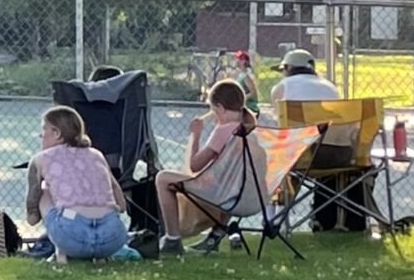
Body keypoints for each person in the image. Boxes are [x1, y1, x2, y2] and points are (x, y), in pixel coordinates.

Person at [152, 80, 261, 256]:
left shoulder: (224, 131)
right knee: (232, 180)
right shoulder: (252, 130)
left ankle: (172, 239)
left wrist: (196, 134)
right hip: (246, 196)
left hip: (220, 195)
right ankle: (215, 236)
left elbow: (195, 165)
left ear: (221, 108)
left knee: (163, 178)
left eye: (214, 111)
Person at [26, 106, 130, 262]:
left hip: (72, 234)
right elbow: (119, 201)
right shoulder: (97, 155)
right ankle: (101, 256)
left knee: (45, 190)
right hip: (113, 237)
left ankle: (61, 255)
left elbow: (32, 216)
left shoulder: (41, 159)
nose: (41, 135)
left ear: (57, 133)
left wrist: (33, 216)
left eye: (44, 129)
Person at [271, 47, 339, 104]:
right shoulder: (330, 86)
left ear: (288, 68)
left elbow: (279, 113)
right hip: (326, 116)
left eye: (283, 70)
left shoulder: (284, 85)